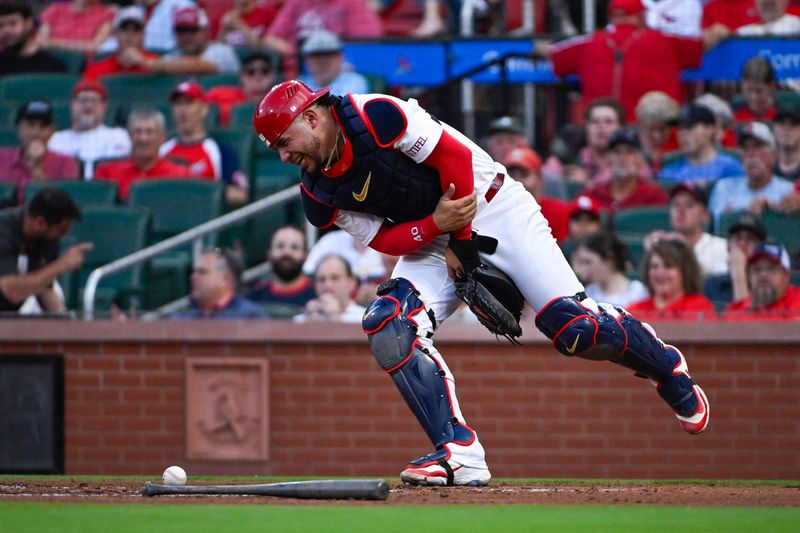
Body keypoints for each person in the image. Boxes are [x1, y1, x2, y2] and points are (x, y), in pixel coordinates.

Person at [253, 79, 711, 487]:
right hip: (432, 231)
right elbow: (383, 240)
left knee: (574, 330)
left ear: (311, 117)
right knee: (389, 324)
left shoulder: (376, 115)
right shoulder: (316, 192)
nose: (283, 154)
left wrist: (463, 243)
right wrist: (437, 227)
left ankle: (664, 364)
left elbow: (455, 159)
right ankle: (460, 451)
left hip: (493, 206)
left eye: (284, 140)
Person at [537, 0, 703, 122]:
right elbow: (700, 46)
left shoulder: (590, 42)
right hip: (653, 130)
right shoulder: (665, 41)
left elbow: (552, 54)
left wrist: (534, 46)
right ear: (641, 16)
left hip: (605, 131)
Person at [0, 187, 91, 314]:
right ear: (41, 223)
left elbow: (43, 287)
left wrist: (66, 321)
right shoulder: (4, 231)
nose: (66, 234)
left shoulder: (45, 238)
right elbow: (12, 291)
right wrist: (62, 264)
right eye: (62, 229)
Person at [160, 81, 249, 205]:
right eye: (178, 104)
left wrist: (196, 189)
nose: (182, 110)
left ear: (204, 109)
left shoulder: (220, 150)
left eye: (189, 103)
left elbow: (240, 195)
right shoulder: (162, 150)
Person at [708, 122, 794, 224]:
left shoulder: (788, 191)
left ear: (774, 155)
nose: (751, 154)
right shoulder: (723, 188)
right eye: (745, 148)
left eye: (757, 146)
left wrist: (772, 209)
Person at [94, 108, 189, 201]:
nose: (143, 138)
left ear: (162, 137)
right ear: (129, 136)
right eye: (138, 132)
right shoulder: (107, 172)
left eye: (150, 132)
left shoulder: (179, 174)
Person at [48, 79, 132, 180]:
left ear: (104, 106)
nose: (88, 106)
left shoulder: (120, 136)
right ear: (72, 104)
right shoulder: (55, 140)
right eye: (83, 100)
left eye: (94, 101)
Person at [122, 6, 241, 75]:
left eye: (192, 30)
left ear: (204, 31)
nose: (187, 36)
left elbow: (199, 65)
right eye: (181, 31)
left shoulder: (221, 51)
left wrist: (147, 62)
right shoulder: (171, 58)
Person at [0, 101, 80, 204]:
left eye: (44, 126)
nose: (36, 132)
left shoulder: (66, 162)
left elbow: (62, 206)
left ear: (52, 131)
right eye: (30, 125)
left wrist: (36, 169)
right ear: (19, 129)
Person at [644, 182, 729, 277]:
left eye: (689, 205)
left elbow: (719, 284)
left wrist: (687, 254)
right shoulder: (662, 246)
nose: (681, 210)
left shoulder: (721, 247)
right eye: (675, 205)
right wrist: (652, 254)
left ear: (705, 215)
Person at [580, 128, 667, 215]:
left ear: (639, 159)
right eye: (617, 152)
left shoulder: (654, 195)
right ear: (608, 158)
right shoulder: (594, 193)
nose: (623, 158)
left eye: (629, 152)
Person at [627, 239, 716, 319]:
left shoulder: (700, 307)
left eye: (668, 266)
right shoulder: (634, 311)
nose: (660, 272)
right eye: (654, 266)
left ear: (684, 271)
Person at [170, 248, 269, 319]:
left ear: (226, 279)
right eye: (194, 271)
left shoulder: (250, 317)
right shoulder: (181, 316)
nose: (193, 277)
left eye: (202, 272)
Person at [659, 103, 744, 184]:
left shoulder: (730, 168)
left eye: (689, 127)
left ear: (709, 129)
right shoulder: (669, 172)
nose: (682, 134)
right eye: (680, 128)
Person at [262, 0, 384, 55]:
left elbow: (366, 42)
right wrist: (298, 53)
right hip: (298, 70)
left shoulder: (352, 3)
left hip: (335, 68)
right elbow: (271, 38)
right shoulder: (297, 2)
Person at [502, 146, 570, 243]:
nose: (516, 181)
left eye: (524, 174)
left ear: (540, 178)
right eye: (511, 175)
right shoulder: (495, 210)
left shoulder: (559, 211)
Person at [703, 211, 766, 307]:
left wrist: (739, 275)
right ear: (728, 247)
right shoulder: (711, 285)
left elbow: (748, 320)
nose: (742, 244)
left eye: (750, 239)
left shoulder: (767, 284)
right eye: (737, 238)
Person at [570, 231, 649, 308]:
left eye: (588, 262)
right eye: (582, 263)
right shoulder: (589, 292)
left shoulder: (637, 292)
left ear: (609, 258)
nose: (584, 269)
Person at [724, 242, 800, 319]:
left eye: (771, 269)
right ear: (749, 275)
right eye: (757, 269)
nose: (763, 275)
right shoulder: (735, 313)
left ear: (786, 275)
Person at [247, 225, 317, 308]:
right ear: (269, 254)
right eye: (280, 246)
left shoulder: (318, 296)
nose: (286, 253)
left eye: (294, 247)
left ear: (305, 256)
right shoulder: (253, 300)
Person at [205, 50, 278, 127]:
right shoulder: (218, 94)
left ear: (273, 76)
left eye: (264, 71)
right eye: (251, 72)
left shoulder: (282, 102)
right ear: (242, 76)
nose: (258, 76)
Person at [84, 6, 160, 79]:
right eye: (124, 29)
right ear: (115, 33)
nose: (130, 34)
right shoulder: (96, 69)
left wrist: (145, 63)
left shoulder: (155, 63)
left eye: (136, 30)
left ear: (143, 35)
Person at [0, 1, 66, 77]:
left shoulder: (52, 65)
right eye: (1, 26)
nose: (7, 31)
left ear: (28, 23)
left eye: (13, 23)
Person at [295, 253, 365, 323]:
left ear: (351, 283)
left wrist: (334, 318)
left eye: (335, 278)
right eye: (322, 279)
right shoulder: (302, 320)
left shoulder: (366, 319)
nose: (327, 285)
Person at [298, 30, 369, 96]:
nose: (323, 61)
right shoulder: (299, 85)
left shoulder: (355, 81)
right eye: (316, 56)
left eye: (329, 55)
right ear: (306, 60)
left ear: (341, 57)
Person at [37, 0, 114, 53]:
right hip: (51, 58)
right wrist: (81, 45)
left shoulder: (105, 14)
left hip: (85, 62)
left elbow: (95, 46)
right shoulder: (56, 9)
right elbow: (41, 41)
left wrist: (53, 42)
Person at [634, 91, 679, 173]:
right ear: (641, 124)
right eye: (651, 129)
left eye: (663, 129)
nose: (657, 135)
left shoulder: (677, 151)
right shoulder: (627, 149)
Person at [734, 56, 778, 123]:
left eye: (759, 91)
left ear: (771, 86)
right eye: (749, 90)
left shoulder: (782, 114)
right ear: (742, 85)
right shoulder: (733, 114)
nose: (754, 97)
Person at [773, 100, 800, 182]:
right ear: (774, 129)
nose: (786, 128)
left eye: (793, 124)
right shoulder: (766, 167)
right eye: (781, 123)